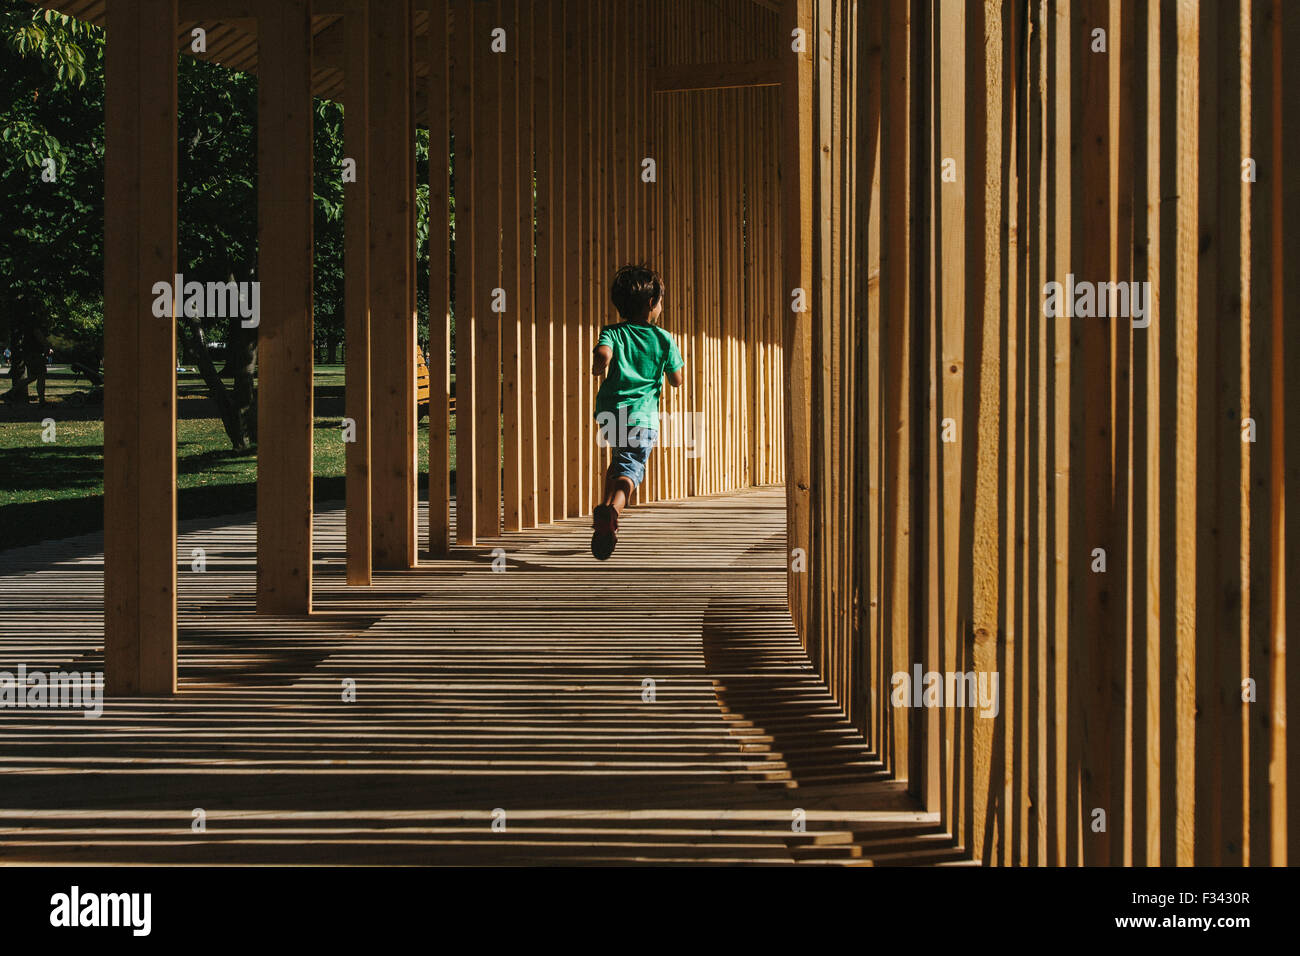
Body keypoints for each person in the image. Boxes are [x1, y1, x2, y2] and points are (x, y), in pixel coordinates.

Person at [589, 264, 685, 560]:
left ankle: (604, 517)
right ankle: (613, 511)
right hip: (641, 417)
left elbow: (603, 353)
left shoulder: (612, 332)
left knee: (619, 460)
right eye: (660, 301)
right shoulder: (664, 339)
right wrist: (669, 373)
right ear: (651, 304)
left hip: (610, 413)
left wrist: (599, 363)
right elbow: (677, 379)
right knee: (631, 470)